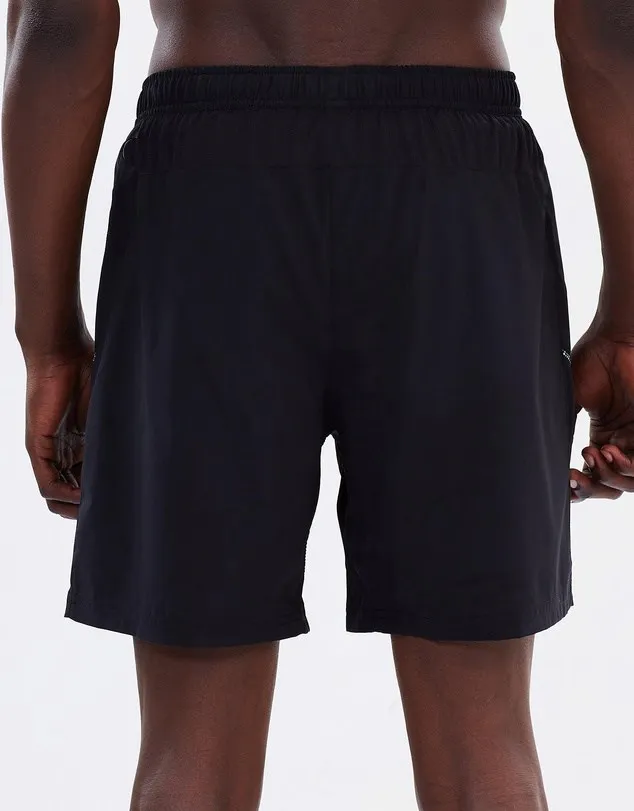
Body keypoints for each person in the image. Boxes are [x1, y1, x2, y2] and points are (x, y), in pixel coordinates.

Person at [4, 1, 634, 809]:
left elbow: (58, 30)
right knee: (487, 754)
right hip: (454, 191)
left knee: (187, 758)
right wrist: (627, 317)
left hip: (208, 190)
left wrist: (49, 338)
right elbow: (613, 27)